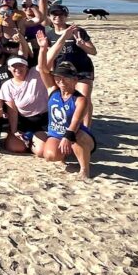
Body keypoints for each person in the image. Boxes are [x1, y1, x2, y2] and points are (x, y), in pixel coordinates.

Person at [24, 31, 96, 179]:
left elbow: (75, 123)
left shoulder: (80, 99)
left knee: (78, 136)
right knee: (49, 155)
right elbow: (42, 69)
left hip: (75, 134)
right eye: (58, 77)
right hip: (56, 134)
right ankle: (65, 154)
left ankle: (84, 169)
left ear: (75, 79)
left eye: (66, 78)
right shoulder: (53, 91)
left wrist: (67, 137)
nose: (61, 81)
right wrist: (43, 48)